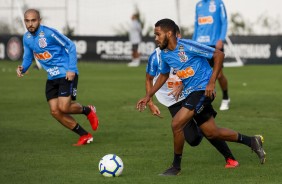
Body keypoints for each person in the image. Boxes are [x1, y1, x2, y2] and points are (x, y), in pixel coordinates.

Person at [136, 18, 266, 175]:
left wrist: (211, 83)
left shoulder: (188, 46)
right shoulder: (164, 54)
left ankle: (175, 167)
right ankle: (252, 141)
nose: (156, 38)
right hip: (191, 93)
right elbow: (163, 75)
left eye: (158, 34)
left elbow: (219, 55)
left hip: (202, 90)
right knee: (211, 132)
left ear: (169, 34)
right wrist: (148, 96)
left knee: (176, 124)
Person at [145, 25, 239, 175]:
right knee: (194, 139)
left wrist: (200, 82)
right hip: (172, 100)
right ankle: (247, 142)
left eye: (158, 35)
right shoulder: (157, 56)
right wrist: (149, 100)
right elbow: (150, 78)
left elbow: (194, 68)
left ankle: (229, 158)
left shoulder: (185, 47)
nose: (157, 38)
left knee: (192, 126)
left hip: (192, 93)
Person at [16, 9, 99, 146]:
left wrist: (71, 69)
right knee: (55, 111)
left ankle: (88, 110)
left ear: (39, 20)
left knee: (64, 107)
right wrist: (23, 68)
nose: (30, 24)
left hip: (66, 73)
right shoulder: (27, 38)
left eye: (33, 20)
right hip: (51, 76)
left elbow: (70, 46)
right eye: (27, 21)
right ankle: (84, 135)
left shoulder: (48, 33)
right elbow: (27, 57)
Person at [192, 0, 230, 110]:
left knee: (218, 75)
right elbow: (196, 25)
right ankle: (203, 101)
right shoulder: (198, 5)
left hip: (214, 44)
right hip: (200, 44)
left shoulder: (218, 3)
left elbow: (224, 21)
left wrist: (221, 39)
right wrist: (194, 42)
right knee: (200, 74)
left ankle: (226, 97)